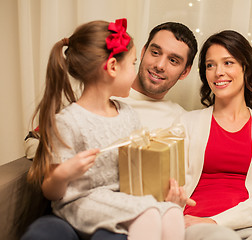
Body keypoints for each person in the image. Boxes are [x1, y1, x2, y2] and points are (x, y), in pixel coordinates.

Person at [22, 22, 252, 240]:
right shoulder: (93, 99)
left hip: (133, 212)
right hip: (84, 204)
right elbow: (40, 142)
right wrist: (59, 162)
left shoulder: (176, 117)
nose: (160, 65)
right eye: (155, 52)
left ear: (186, 71)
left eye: (174, 60)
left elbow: (164, 173)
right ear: (140, 53)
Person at [23, 19, 185, 240]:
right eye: (132, 64)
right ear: (111, 68)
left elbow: (137, 167)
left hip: (117, 199)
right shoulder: (68, 121)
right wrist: (63, 173)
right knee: (147, 214)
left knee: (173, 212)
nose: (135, 72)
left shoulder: (128, 114)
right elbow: (51, 191)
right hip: (80, 203)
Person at [174, 30, 252, 240]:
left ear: (245, 68)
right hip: (197, 222)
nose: (218, 72)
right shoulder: (186, 123)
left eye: (228, 63)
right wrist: (208, 223)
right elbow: (172, 183)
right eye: (210, 65)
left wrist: (218, 220)